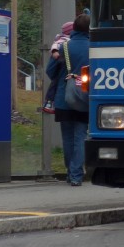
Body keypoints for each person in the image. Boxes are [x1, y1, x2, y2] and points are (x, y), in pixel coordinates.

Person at [49, 13, 90, 185]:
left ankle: (70, 171)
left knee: (67, 137)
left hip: (63, 97)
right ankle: (76, 174)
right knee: (80, 136)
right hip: (84, 97)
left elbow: (50, 72)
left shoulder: (64, 47)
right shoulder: (93, 47)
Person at [41, 20, 76, 113]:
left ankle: (49, 103)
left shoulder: (64, 41)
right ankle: (49, 102)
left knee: (54, 83)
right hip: (82, 100)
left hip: (63, 97)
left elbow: (50, 70)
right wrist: (54, 51)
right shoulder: (63, 40)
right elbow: (55, 46)